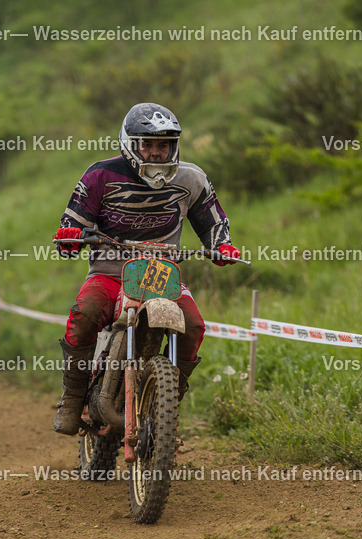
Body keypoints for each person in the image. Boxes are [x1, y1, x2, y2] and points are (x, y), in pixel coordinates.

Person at [51, 103, 241, 435]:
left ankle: (168, 398)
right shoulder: (100, 175)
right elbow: (73, 223)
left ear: (174, 146)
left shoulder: (191, 178)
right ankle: (72, 398)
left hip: (161, 273)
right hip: (110, 270)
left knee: (193, 326)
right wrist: (70, 236)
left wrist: (222, 246)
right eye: (148, 144)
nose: (156, 153)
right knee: (84, 313)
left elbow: (213, 223)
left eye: (164, 145)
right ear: (131, 144)